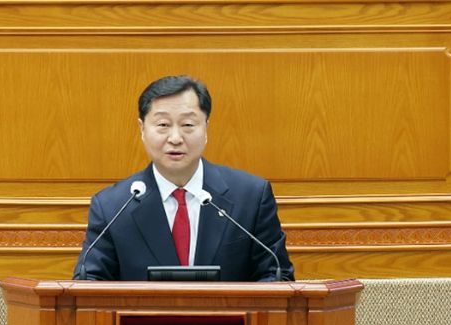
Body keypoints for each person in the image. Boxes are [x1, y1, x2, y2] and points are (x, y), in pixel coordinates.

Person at [74, 75, 294, 281]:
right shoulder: (112, 207)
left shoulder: (251, 197)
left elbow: (277, 275)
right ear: (142, 129)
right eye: (163, 125)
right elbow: (89, 282)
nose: (175, 138)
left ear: (205, 128)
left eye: (188, 125)